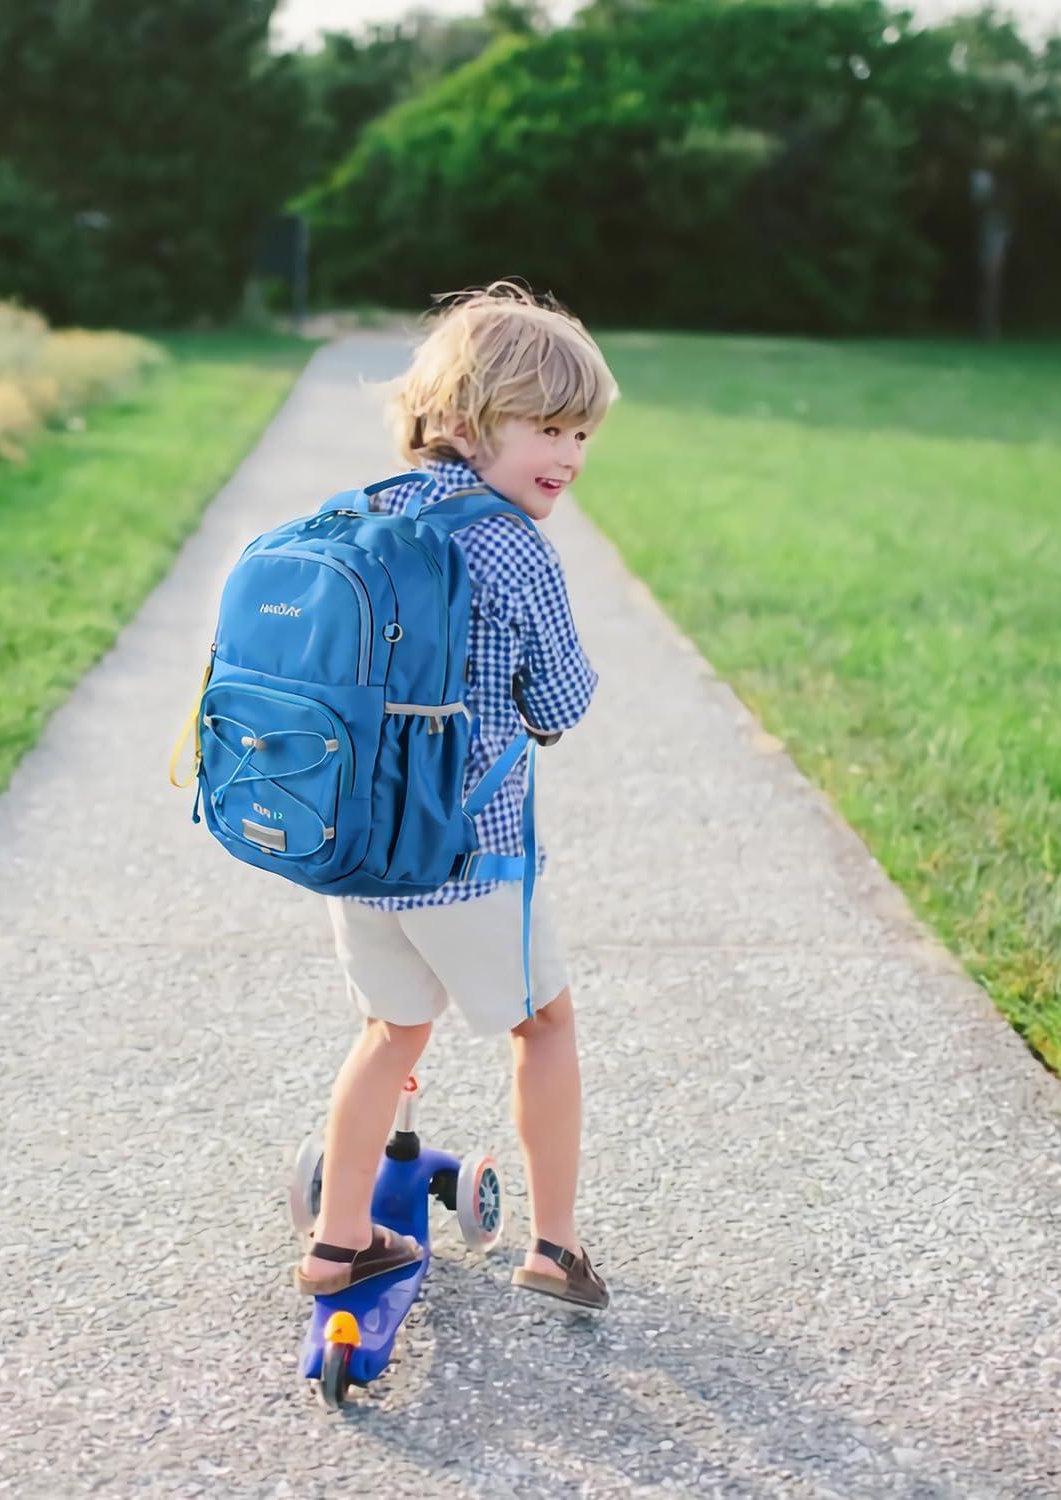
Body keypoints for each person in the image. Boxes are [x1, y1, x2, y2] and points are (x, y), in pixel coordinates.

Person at [292, 280, 619, 1311]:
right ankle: (554, 1249)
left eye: (582, 434)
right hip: (470, 855)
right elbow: (559, 701)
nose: (567, 456)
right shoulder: (513, 544)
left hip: (357, 852)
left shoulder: (364, 512)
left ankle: (340, 1242)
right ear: (472, 420)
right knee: (547, 1028)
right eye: (549, 428)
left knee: (391, 1032)